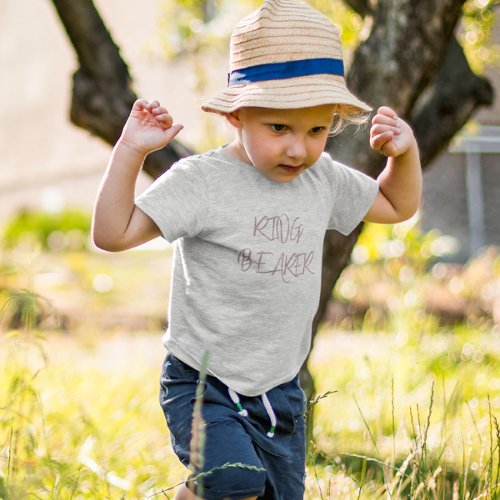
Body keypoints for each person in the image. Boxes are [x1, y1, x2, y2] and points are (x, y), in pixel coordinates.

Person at [92, 0, 421, 498]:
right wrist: (132, 151)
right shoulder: (203, 181)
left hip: (280, 390)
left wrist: (406, 154)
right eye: (278, 128)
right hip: (205, 382)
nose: (298, 148)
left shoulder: (323, 179)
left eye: (316, 130)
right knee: (232, 482)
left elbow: (396, 204)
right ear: (236, 114)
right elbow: (112, 234)